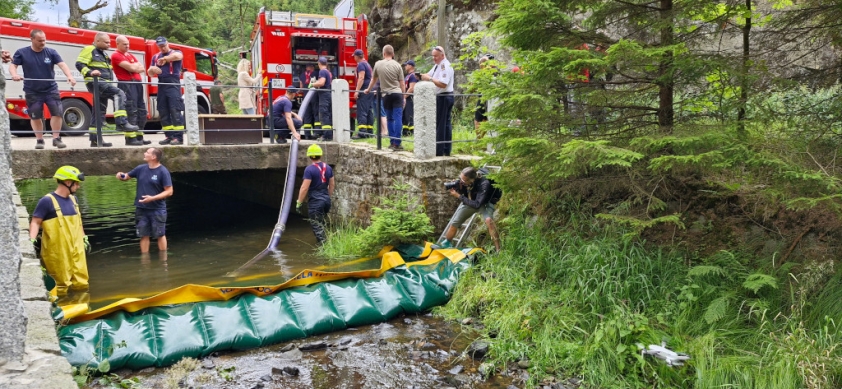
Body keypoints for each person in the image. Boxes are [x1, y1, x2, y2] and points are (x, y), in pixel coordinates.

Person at [9, 29, 76, 150]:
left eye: (44, 40)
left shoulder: (51, 52)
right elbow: (13, 65)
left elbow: (62, 64)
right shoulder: (22, 52)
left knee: (57, 113)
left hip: (51, 89)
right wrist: (14, 74)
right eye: (40, 41)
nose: (43, 43)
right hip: (32, 90)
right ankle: (39, 140)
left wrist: (69, 76)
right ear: (32, 39)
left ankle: (56, 138)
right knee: (35, 116)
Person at [29, 166, 90, 296]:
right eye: (76, 183)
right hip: (57, 252)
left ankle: (82, 305)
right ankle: (61, 311)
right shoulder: (47, 201)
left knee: (82, 282)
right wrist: (32, 240)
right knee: (60, 285)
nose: (78, 186)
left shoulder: (74, 200)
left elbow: (78, 223)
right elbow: (35, 221)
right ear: (67, 182)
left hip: (76, 248)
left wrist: (84, 237)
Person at [116, 148, 174, 253]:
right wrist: (121, 175)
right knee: (143, 235)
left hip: (157, 209)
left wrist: (152, 198)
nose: (144, 153)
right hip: (141, 209)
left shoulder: (163, 171)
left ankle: (163, 259)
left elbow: (169, 191)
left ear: (153, 157)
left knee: (160, 235)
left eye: (147, 152)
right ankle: (145, 259)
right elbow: (126, 176)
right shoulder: (140, 168)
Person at [438, 167, 502, 251]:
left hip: (485, 202)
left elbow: (477, 205)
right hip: (473, 201)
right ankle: (447, 242)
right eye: (460, 178)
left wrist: (458, 196)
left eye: (463, 181)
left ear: (472, 180)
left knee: (489, 221)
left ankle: (498, 249)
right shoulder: (465, 181)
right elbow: (466, 194)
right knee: (455, 221)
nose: (461, 181)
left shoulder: (484, 183)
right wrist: (459, 187)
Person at [112, 35, 150, 146]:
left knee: (141, 110)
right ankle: (131, 139)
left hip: (137, 84)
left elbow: (142, 68)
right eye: (124, 44)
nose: (127, 46)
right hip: (127, 84)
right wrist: (134, 67)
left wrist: (135, 67)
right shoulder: (116, 55)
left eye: (128, 44)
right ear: (117, 44)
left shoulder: (129, 55)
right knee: (131, 109)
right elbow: (133, 68)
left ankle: (139, 136)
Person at [365, 45, 405, 150]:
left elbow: (373, 80)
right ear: (393, 54)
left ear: (383, 54)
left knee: (390, 119)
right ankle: (398, 143)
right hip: (397, 94)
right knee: (398, 118)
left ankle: (392, 142)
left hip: (385, 95)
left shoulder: (378, 64)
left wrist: (368, 90)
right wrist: (404, 96)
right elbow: (402, 83)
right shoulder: (397, 65)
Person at [148, 37, 185, 145]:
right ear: (157, 46)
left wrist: (166, 59)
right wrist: (152, 70)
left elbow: (179, 56)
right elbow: (149, 72)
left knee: (175, 109)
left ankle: (179, 137)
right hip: (161, 84)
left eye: (164, 45)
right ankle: (169, 136)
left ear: (167, 44)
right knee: (162, 110)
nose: (162, 48)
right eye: (160, 46)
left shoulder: (176, 53)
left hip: (173, 83)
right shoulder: (155, 57)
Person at [296, 144, 335, 246]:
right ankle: (327, 244)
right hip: (326, 200)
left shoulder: (309, 169)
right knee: (322, 223)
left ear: (309, 156)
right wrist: (327, 197)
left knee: (317, 226)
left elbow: (304, 188)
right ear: (320, 155)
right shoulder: (328, 168)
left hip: (315, 201)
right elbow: (332, 184)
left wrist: (299, 202)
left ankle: (323, 248)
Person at [420, 46, 455, 156]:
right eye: (433, 56)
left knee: (442, 124)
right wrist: (421, 76)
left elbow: (443, 83)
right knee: (444, 123)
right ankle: (444, 148)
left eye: (435, 56)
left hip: (444, 96)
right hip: (441, 96)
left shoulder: (445, 66)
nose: (434, 58)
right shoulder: (437, 65)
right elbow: (429, 75)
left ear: (442, 55)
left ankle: (440, 150)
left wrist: (429, 79)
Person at [352, 49, 374, 138]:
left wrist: (357, 91)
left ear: (357, 56)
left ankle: (362, 132)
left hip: (364, 90)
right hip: (369, 89)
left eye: (354, 56)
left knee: (362, 111)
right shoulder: (367, 64)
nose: (353, 58)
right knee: (369, 111)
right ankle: (369, 132)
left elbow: (361, 78)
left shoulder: (361, 64)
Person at [310, 56, 333, 141]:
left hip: (324, 95)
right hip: (327, 93)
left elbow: (322, 82)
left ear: (319, 64)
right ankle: (329, 134)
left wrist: (313, 84)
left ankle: (326, 135)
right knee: (327, 113)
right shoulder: (328, 71)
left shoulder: (322, 71)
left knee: (324, 114)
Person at [473, 55, 494, 138]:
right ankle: (479, 140)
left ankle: (483, 141)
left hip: (490, 100)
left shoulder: (495, 73)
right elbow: (473, 87)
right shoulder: (480, 73)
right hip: (481, 99)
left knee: (486, 121)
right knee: (477, 121)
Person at [298, 63, 318, 139]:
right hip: (314, 96)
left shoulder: (302, 75)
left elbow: (301, 87)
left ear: (306, 68)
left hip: (306, 97)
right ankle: (316, 132)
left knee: (307, 115)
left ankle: (307, 134)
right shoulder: (316, 73)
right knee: (316, 114)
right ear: (312, 67)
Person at [402, 59, 418, 137]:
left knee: (409, 114)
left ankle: (412, 131)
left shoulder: (413, 76)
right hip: (406, 97)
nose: (405, 66)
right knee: (405, 115)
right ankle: (405, 131)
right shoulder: (407, 76)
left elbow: (412, 88)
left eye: (406, 65)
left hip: (410, 97)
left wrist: (404, 96)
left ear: (411, 66)